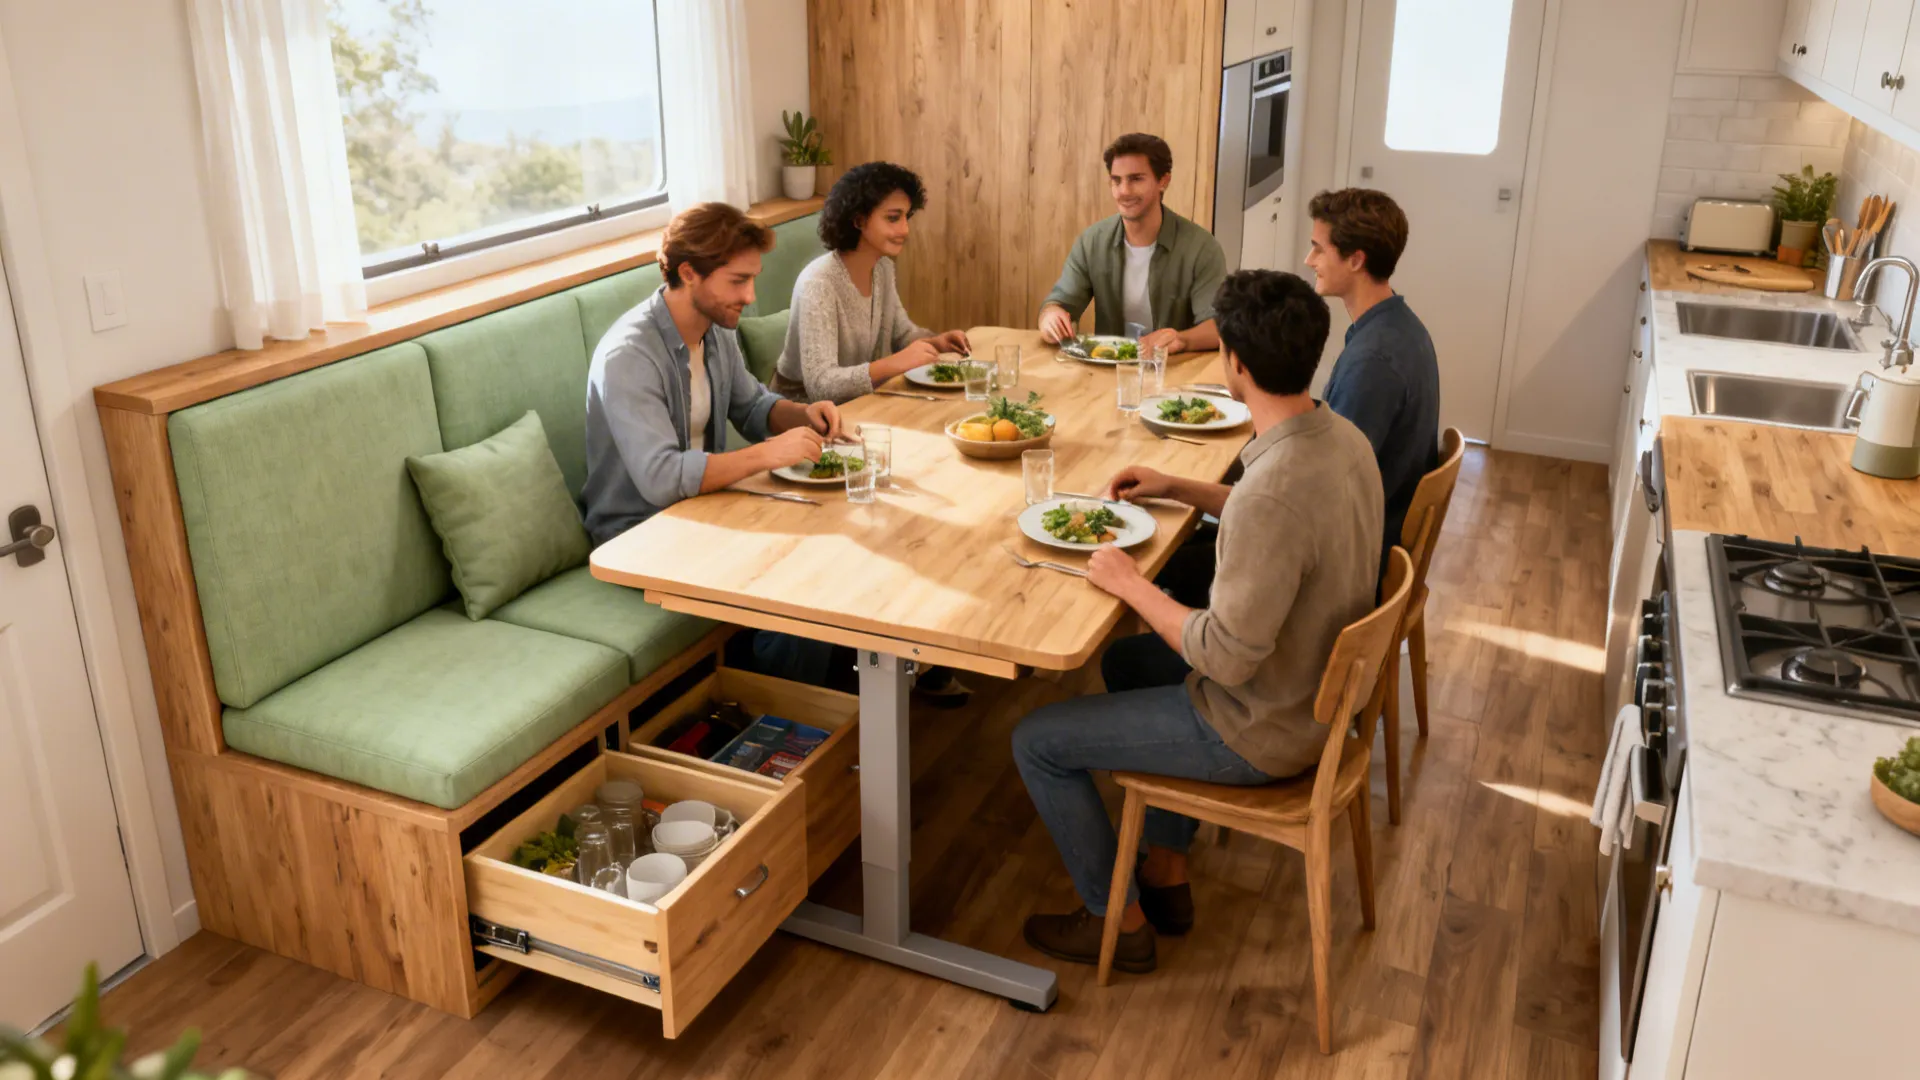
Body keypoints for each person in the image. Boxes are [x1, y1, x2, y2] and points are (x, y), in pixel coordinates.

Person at [1011, 270, 1384, 972]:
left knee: (1037, 739)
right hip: (1316, 696)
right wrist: (1181, 487)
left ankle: (1114, 922)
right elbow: (1278, 521)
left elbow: (1226, 657)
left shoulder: (1271, 493)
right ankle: (1166, 871)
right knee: (1124, 664)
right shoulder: (1341, 440)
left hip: (1262, 727)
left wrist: (1128, 581)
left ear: (1234, 362)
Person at [582, 201, 848, 686]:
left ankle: (832, 694)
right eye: (737, 281)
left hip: (706, 511)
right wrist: (766, 454)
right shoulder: (629, 357)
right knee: (805, 581)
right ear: (688, 273)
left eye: (753, 279)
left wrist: (803, 415)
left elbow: (751, 406)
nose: (749, 296)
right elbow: (662, 478)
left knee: (837, 539)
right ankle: (776, 708)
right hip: (639, 532)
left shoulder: (714, 329)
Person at [1303, 188, 1441, 566]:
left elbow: (1326, 487)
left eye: (1319, 248)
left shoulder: (1373, 362)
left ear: (1355, 260)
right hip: (1377, 528)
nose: (1308, 259)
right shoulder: (1401, 326)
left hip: (1351, 555)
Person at [773, 162, 971, 403]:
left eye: (906, 217)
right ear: (858, 220)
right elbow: (821, 385)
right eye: (893, 218)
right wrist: (892, 363)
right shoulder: (819, 283)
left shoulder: (882, 268)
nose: (905, 229)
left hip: (858, 404)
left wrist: (936, 342)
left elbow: (902, 334)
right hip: (802, 418)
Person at [1037, 133, 1227, 356]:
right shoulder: (1092, 242)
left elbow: (1219, 327)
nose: (1124, 191)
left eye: (1136, 179)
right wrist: (1050, 316)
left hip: (1174, 372)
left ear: (1163, 181)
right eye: (1116, 180)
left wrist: (1181, 339)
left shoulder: (1201, 247)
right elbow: (1059, 303)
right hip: (1108, 371)